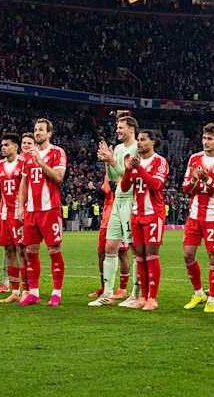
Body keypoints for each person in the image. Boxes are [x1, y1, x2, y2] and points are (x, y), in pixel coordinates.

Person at [181, 123, 214, 313]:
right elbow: (186, 188)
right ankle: (198, 293)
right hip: (194, 214)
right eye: (204, 138)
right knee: (187, 255)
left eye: (209, 138)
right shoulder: (195, 159)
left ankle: (211, 298)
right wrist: (195, 179)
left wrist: (208, 180)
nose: (205, 142)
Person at [16, 118, 68, 306]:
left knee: (54, 250)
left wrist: (40, 162)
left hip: (50, 209)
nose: (37, 133)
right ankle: (34, 293)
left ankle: (56, 292)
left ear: (49, 133)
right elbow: (24, 183)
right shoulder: (26, 156)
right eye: (36, 129)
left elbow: (59, 177)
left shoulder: (57, 152)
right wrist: (20, 207)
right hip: (31, 211)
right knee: (30, 251)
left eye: (41, 130)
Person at [90, 115, 139, 307]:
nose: (117, 130)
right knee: (110, 247)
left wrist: (112, 161)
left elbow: (129, 176)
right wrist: (106, 160)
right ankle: (108, 294)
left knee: (135, 250)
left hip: (132, 202)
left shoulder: (137, 148)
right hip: (118, 201)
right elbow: (113, 177)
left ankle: (134, 294)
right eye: (117, 127)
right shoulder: (118, 149)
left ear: (131, 129)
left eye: (121, 127)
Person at [120, 129, 169, 311]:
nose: (139, 143)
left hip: (153, 214)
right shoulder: (134, 161)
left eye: (143, 140)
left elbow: (156, 185)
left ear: (153, 142)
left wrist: (138, 168)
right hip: (136, 214)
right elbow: (125, 188)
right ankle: (142, 297)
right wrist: (127, 171)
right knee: (139, 258)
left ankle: (153, 298)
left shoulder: (160, 162)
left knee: (151, 256)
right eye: (138, 140)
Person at [0, 133, 27, 303]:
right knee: (9, 250)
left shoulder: (23, 163)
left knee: (22, 251)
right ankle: (15, 291)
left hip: (20, 213)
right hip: (6, 213)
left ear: (16, 146)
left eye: (6, 145)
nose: (3, 148)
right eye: (2, 145)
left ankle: (27, 289)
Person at [88, 175, 130, 301]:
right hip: (106, 219)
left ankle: (122, 289)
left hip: (120, 217)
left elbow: (117, 190)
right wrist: (95, 188)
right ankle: (104, 287)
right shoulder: (108, 174)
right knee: (101, 253)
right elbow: (105, 194)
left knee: (122, 253)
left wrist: (98, 185)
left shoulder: (122, 170)